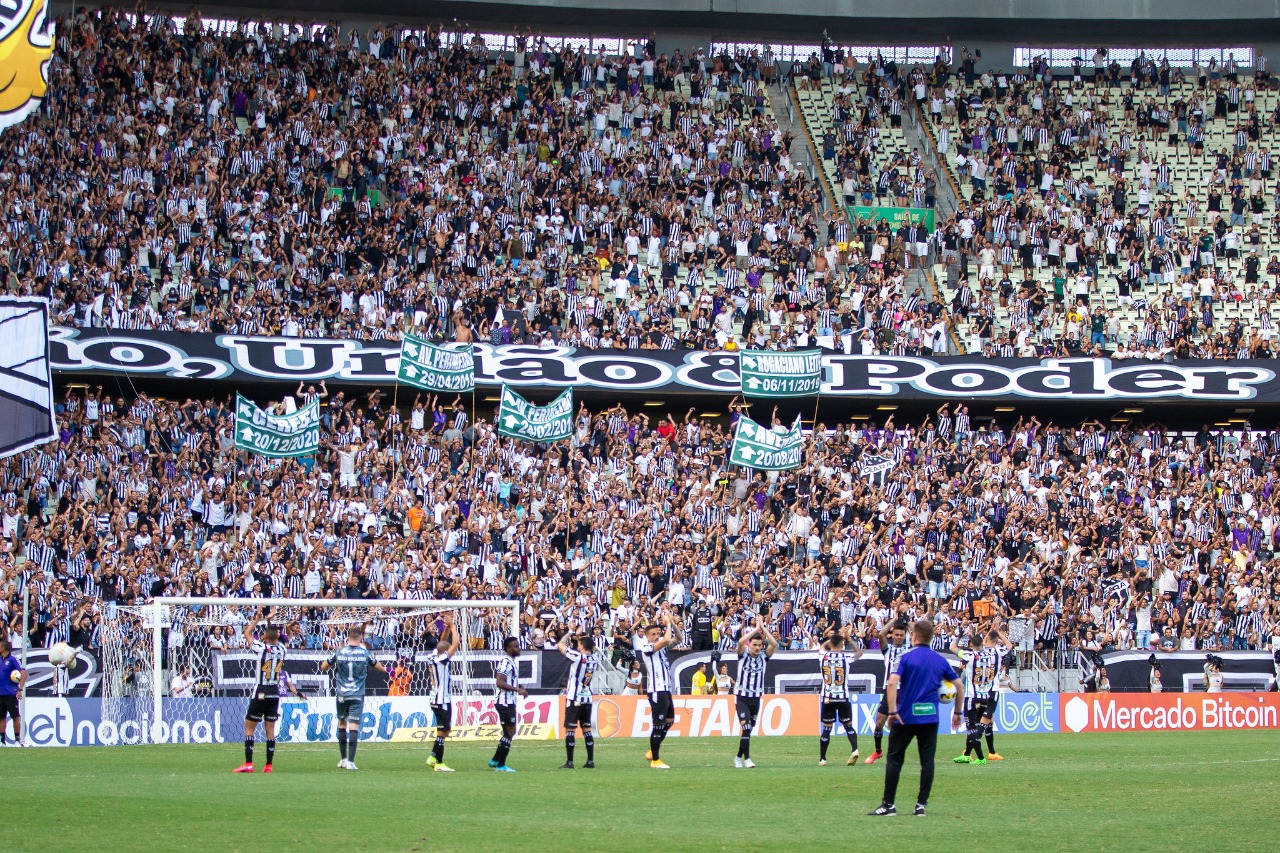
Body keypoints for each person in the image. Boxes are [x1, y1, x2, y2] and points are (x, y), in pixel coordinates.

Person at [869, 619, 963, 818]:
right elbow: (959, 685)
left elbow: (892, 683)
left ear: (913, 636)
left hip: (906, 717)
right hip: (930, 718)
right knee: (927, 762)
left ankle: (889, 806)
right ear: (931, 637)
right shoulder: (939, 659)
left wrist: (893, 712)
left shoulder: (905, 656)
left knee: (894, 759)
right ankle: (921, 805)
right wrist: (957, 712)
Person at [320, 626, 388, 771]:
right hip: (357, 694)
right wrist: (384, 669)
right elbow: (380, 668)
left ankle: (343, 759)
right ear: (360, 638)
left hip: (342, 695)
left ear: (348, 637)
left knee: (342, 724)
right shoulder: (364, 653)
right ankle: (351, 761)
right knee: (354, 727)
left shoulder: (339, 652)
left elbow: (323, 666)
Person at [234, 610, 289, 773]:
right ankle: (268, 765)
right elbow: (275, 639)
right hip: (275, 692)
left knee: (249, 727)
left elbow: (247, 633)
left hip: (261, 691)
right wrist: (270, 622)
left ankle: (248, 763)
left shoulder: (261, 647)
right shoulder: (283, 650)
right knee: (270, 731)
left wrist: (258, 620)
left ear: (264, 637)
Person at [636, 609, 680, 769]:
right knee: (659, 724)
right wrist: (667, 624)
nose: (656, 636)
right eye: (653, 634)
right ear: (647, 636)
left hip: (665, 690)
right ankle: (655, 760)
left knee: (669, 721)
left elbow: (679, 638)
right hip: (656, 690)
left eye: (658, 634)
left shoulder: (662, 648)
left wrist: (672, 624)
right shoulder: (647, 647)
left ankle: (652, 752)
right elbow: (667, 638)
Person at [733, 621, 777, 768]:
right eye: (755, 645)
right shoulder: (742, 656)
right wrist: (755, 630)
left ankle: (738, 756)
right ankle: (747, 759)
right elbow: (740, 642)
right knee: (745, 728)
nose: (758, 648)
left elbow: (774, 644)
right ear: (749, 645)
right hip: (742, 697)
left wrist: (763, 628)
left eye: (760, 645)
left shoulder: (764, 658)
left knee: (748, 730)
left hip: (756, 698)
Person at [818, 625, 863, 766]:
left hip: (827, 697)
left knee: (827, 728)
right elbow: (860, 653)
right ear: (842, 644)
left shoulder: (823, 656)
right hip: (843, 696)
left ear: (830, 643)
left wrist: (829, 639)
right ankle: (855, 749)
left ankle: (823, 759)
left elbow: (821, 647)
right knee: (848, 726)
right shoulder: (846, 657)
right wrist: (848, 638)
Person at [866, 620, 909, 765]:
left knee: (902, 726)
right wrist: (894, 619)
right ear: (893, 635)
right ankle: (878, 751)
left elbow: (917, 634)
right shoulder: (888, 649)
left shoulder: (909, 649)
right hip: (889, 690)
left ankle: (897, 753)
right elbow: (881, 634)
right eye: (896, 634)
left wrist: (907, 621)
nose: (898, 637)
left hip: (903, 691)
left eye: (901, 635)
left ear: (904, 636)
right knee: (879, 723)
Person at [426, 612, 461, 772]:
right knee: (442, 731)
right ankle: (439, 763)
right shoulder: (442, 660)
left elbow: (442, 642)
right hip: (441, 699)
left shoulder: (434, 655)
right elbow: (455, 644)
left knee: (445, 729)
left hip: (436, 697)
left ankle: (433, 756)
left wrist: (446, 627)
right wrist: (453, 626)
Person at [558, 630, 598, 769]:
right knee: (586, 728)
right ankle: (590, 761)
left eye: (579, 645)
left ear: (581, 647)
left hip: (574, 697)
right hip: (587, 698)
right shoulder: (595, 658)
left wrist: (569, 633)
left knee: (570, 728)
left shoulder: (577, 656)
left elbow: (560, 645)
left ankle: (570, 762)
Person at [489, 636, 527, 772]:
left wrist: (519, 686)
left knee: (510, 731)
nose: (519, 648)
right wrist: (517, 689)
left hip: (509, 701)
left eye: (518, 645)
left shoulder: (511, 662)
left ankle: (495, 760)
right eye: (516, 646)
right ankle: (501, 765)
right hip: (504, 702)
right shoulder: (505, 662)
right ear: (508, 649)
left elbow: (509, 681)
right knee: (509, 732)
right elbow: (499, 682)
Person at [0, 639, 25, 746]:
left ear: (3, 648)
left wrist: (20, 689)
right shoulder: (0, 659)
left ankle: (17, 740)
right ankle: (2, 740)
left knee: (15, 717)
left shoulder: (13, 660)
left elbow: (23, 673)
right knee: (1, 718)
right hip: (0, 694)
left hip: (10, 694)